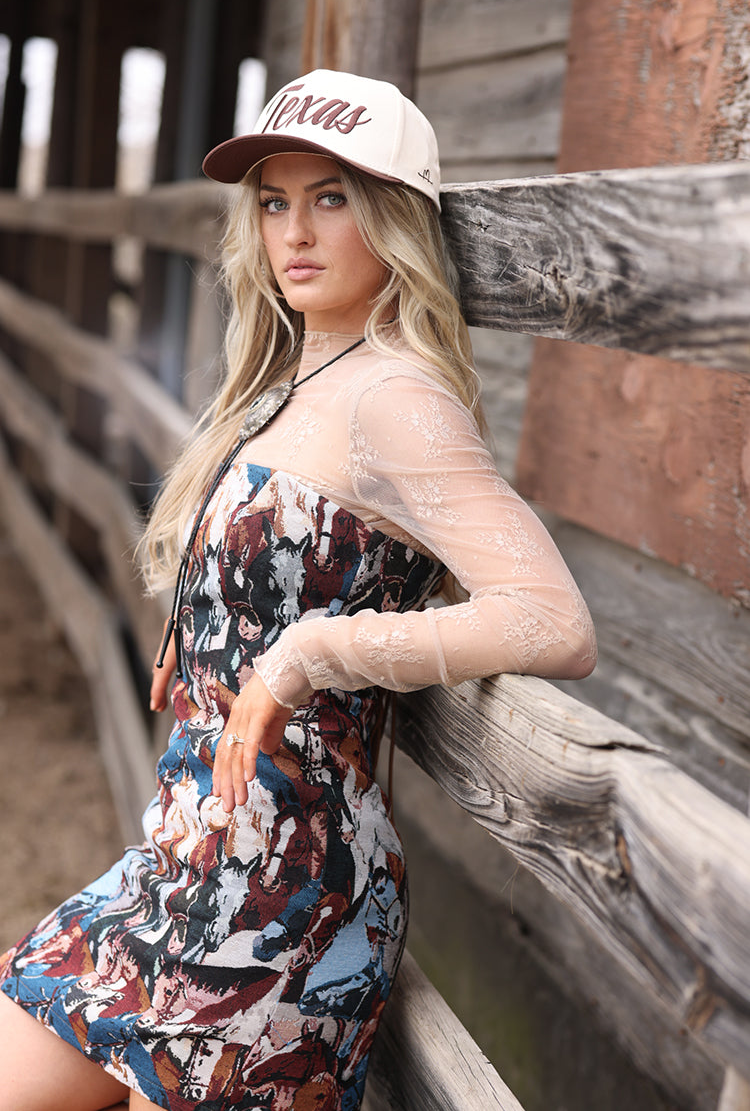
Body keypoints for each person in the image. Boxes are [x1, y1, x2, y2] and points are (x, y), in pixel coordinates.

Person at [0, 69, 596, 1111]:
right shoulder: (289, 377)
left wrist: (313, 653)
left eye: (332, 198)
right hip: (178, 862)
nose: (296, 232)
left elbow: (552, 619)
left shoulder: (399, 396)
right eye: (275, 202)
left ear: (394, 216)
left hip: (282, 906)